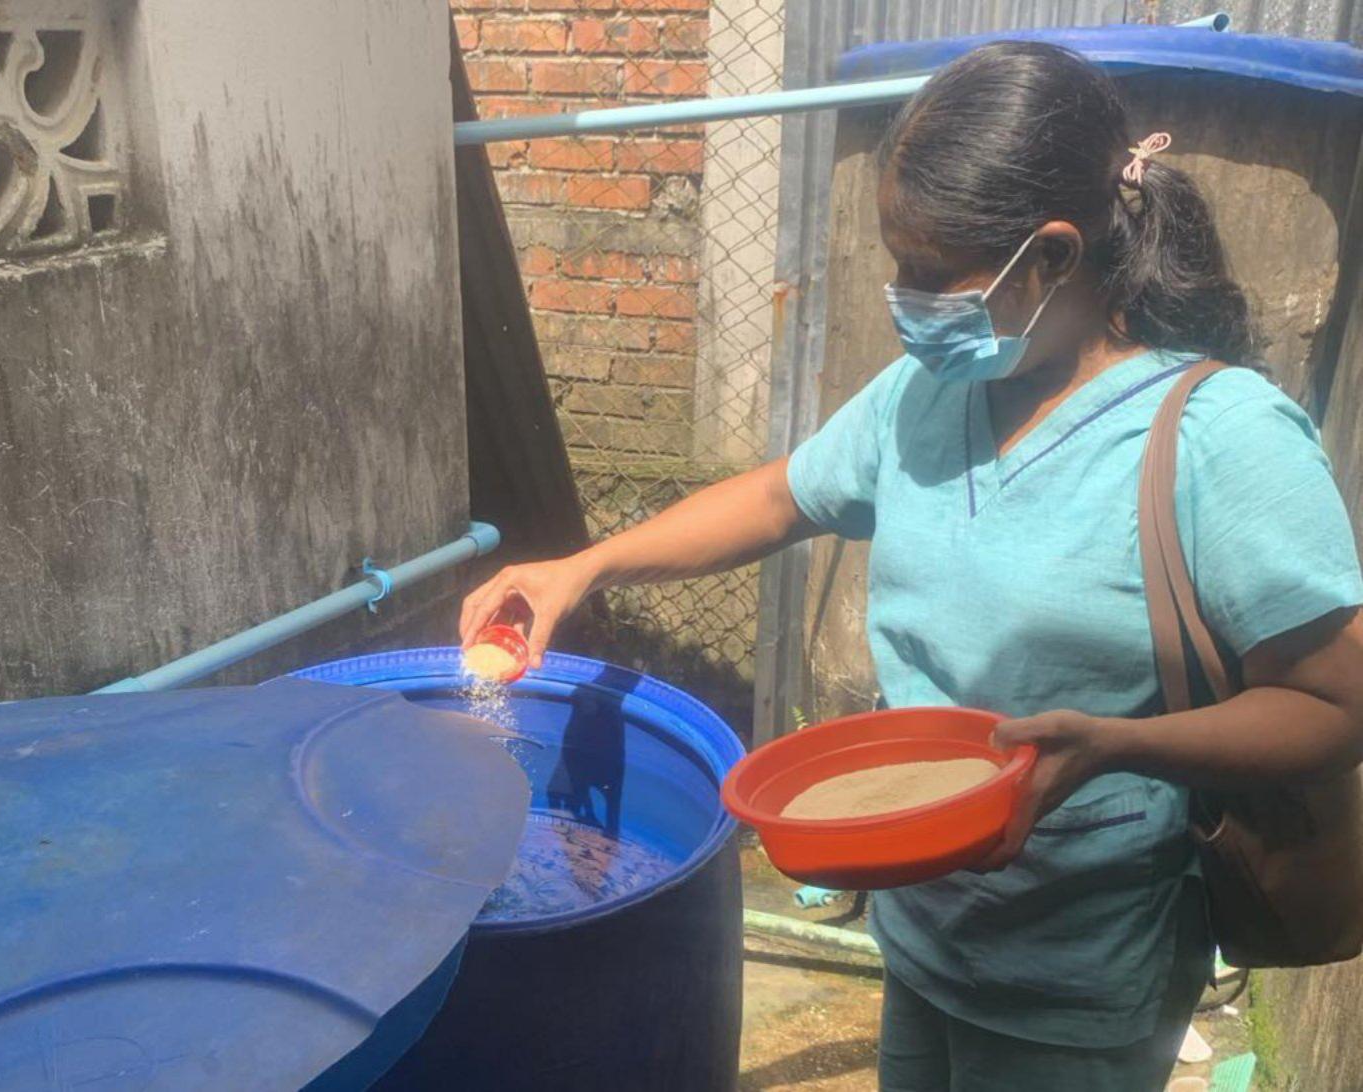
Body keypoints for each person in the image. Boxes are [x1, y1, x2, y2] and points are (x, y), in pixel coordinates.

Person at [460, 41, 1363, 1092]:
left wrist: (1115, 747)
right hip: (924, 935)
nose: (903, 296)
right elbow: (778, 498)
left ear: (1052, 256)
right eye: (897, 263)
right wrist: (585, 567)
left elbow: (1335, 706)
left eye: (932, 273)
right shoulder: (922, 398)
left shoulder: (1220, 439)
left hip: (1078, 984)